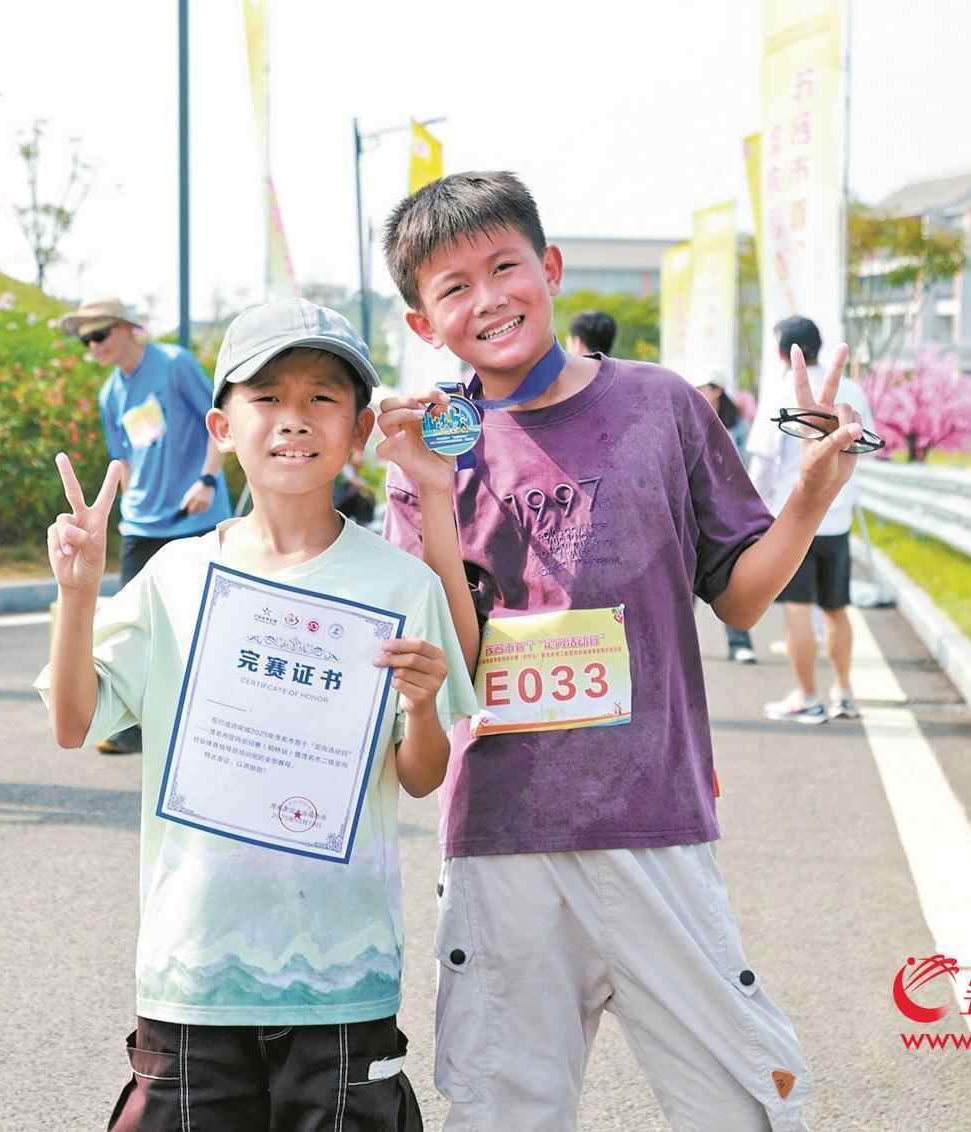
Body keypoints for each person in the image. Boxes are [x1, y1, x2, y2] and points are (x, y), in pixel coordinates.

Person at [374, 171, 866, 1131]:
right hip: (502, 840)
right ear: (423, 323)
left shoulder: (659, 405)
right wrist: (432, 492)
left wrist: (810, 493)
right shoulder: (429, 450)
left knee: (741, 1105)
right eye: (454, 287)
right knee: (504, 1114)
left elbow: (739, 595)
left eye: (505, 267)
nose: (488, 299)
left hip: (655, 822)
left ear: (550, 269)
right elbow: (454, 663)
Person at [36, 298, 476, 1131]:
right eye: (266, 397)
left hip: (341, 972)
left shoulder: (399, 584)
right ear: (221, 427)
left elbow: (420, 777)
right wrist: (78, 594)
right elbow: (73, 723)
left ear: (358, 430)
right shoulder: (176, 576)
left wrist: (421, 708)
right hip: (195, 963)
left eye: (322, 398)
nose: (293, 419)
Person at [60, 297, 233, 754]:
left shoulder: (174, 365)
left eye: (99, 335)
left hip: (195, 515)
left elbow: (219, 425)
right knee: (133, 626)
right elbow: (124, 458)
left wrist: (207, 480)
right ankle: (132, 726)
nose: (93, 346)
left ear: (125, 328)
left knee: (204, 626)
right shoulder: (110, 393)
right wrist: (126, 505)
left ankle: (213, 724)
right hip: (142, 523)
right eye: (86, 340)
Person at [745, 316, 876, 725]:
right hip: (837, 517)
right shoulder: (851, 389)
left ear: (781, 352)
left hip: (794, 519)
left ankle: (808, 696)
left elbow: (763, 464)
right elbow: (867, 445)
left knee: (798, 608)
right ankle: (844, 694)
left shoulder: (780, 392)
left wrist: (752, 512)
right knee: (836, 608)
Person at [690, 373, 759, 664]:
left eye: (703, 387)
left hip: (727, 514)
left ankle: (740, 643)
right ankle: (677, 647)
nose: (698, 391)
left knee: (731, 580)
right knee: (683, 583)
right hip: (692, 513)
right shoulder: (686, 418)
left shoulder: (736, 425)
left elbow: (748, 465)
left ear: (717, 390)